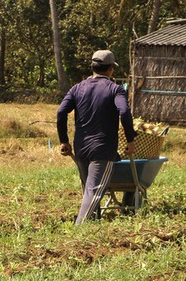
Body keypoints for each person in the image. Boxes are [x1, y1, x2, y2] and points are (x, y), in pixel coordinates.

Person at [57, 50, 137, 225]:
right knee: (94, 192)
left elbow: (61, 112)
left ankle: (93, 228)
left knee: (88, 191)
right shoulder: (115, 89)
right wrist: (130, 140)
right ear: (110, 69)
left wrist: (64, 140)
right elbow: (124, 111)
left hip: (81, 148)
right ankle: (79, 230)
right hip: (102, 148)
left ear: (93, 67)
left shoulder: (77, 88)